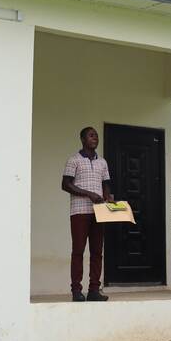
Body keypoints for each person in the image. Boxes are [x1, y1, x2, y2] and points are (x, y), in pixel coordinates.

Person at [61, 126, 113, 302]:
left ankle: (94, 290)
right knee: (78, 251)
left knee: (97, 251)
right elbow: (65, 184)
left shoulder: (103, 162)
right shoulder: (73, 160)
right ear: (82, 139)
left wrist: (108, 197)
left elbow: (106, 184)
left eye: (96, 135)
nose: (95, 138)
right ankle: (76, 290)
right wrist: (88, 194)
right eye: (91, 135)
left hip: (99, 212)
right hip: (79, 211)